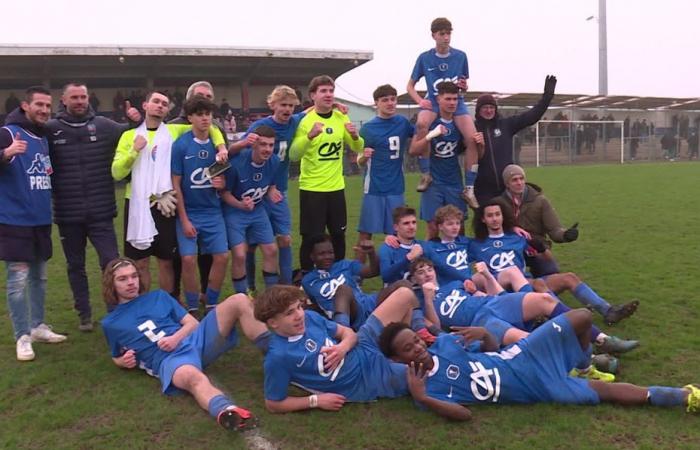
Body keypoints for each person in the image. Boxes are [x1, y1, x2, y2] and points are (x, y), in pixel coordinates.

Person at [379, 310, 700, 420]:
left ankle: (583, 364)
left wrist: (485, 335)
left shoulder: (448, 343)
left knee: (583, 318)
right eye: (409, 349)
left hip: (523, 354)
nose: (418, 349)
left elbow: (489, 349)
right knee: (608, 393)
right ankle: (686, 397)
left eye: (417, 341)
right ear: (397, 358)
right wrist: (422, 398)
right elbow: (465, 415)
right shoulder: (425, 389)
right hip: (536, 387)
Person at [100, 257, 270, 431]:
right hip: (170, 360)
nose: (131, 282)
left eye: (134, 276)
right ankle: (228, 412)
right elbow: (116, 357)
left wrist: (176, 338)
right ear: (111, 284)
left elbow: (192, 323)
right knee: (193, 378)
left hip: (194, 340)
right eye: (123, 279)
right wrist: (124, 361)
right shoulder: (111, 323)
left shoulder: (159, 296)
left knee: (239, 300)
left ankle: (277, 353)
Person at [112, 91, 227, 297]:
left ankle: (168, 303)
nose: (160, 106)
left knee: (166, 261)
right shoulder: (129, 136)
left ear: (168, 110)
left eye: (164, 104)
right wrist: (134, 151)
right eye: (156, 101)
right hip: (137, 203)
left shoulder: (174, 131)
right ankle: (144, 304)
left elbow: (212, 128)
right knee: (141, 262)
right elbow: (117, 172)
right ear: (146, 105)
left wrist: (220, 146)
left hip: (165, 203)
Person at [46, 82, 140, 331]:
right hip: (68, 214)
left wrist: (134, 120)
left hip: (101, 213)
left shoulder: (104, 126)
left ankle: (115, 312)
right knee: (75, 266)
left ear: (89, 99)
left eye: (83, 97)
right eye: (74, 97)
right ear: (63, 100)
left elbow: (132, 134)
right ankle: (84, 315)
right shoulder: (51, 129)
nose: (79, 101)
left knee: (111, 264)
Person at [253, 283, 420, 413]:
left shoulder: (310, 318)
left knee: (404, 294)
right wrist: (315, 401)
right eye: (289, 313)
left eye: (298, 307)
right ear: (273, 322)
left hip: (362, 344)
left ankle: (397, 354)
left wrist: (342, 348)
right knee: (428, 372)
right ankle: (399, 362)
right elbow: (274, 404)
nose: (299, 315)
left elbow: (348, 333)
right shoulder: (278, 357)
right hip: (366, 379)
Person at [471, 199, 639, 325]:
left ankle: (608, 311)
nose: (494, 219)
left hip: (527, 281)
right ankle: (568, 319)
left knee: (569, 278)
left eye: (497, 214)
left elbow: (548, 262)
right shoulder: (474, 244)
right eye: (490, 215)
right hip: (502, 291)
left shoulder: (518, 237)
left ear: (503, 216)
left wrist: (543, 250)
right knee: (538, 284)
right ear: (483, 219)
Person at [0, 86, 67, 361]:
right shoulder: (8, 133)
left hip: (40, 221)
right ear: (26, 105)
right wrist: (5, 154)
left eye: (47, 106)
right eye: (39, 104)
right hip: (14, 223)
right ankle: (22, 336)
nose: (43, 110)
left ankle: (38, 326)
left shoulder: (42, 138)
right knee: (18, 282)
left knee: (40, 277)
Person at [231, 85, 305, 288]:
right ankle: (251, 288)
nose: (287, 109)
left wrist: (335, 105)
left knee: (285, 239)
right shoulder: (259, 127)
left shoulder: (295, 122)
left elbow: (311, 111)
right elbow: (240, 152)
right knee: (251, 245)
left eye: (291, 105)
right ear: (272, 105)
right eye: (283, 104)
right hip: (256, 192)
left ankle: (286, 286)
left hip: (277, 191)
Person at [290, 75, 364, 273]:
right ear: (313, 95)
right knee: (311, 237)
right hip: (312, 188)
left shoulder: (341, 117)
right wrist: (309, 137)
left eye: (331, 91)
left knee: (339, 236)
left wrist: (356, 136)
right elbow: (294, 154)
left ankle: (338, 275)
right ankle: (307, 278)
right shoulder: (306, 121)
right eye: (323, 91)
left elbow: (358, 146)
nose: (328, 95)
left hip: (336, 188)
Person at [407, 17, 480, 209]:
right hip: (432, 101)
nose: (446, 37)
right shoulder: (425, 57)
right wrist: (420, 101)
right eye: (442, 34)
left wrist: (463, 86)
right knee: (422, 125)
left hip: (456, 101)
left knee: (472, 138)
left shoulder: (461, 56)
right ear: (433, 35)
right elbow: (410, 86)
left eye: (449, 33)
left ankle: (469, 188)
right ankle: (426, 174)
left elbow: (463, 85)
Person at [168, 81, 227, 306]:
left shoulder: (217, 145)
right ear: (190, 117)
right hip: (189, 213)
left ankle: (211, 301)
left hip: (213, 211)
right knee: (188, 259)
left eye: (208, 114)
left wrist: (220, 184)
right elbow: (176, 184)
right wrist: (183, 219)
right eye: (199, 114)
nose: (205, 118)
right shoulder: (180, 146)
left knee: (222, 257)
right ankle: (192, 306)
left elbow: (222, 182)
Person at [214, 125, 280, 295]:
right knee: (240, 254)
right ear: (254, 145)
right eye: (263, 144)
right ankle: (242, 297)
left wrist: (272, 191)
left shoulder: (274, 161)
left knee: (271, 250)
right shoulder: (237, 163)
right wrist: (240, 205)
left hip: (257, 209)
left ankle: (271, 296)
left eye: (271, 145)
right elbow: (224, 193)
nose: (267, 149)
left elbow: (271, 183)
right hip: (234, 210)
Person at [473, 75, 557, 205]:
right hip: (483, 189)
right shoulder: (472, 129)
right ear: (478, 110)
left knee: (510, 223)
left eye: (491, 107)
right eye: (485, 107)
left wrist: (547, 97)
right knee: (486, 223)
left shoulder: (505, 125)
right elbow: (459, 148)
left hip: (506, 188)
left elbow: (531, 116)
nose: (489, 110)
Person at [356, 84, 414, 255]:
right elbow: (359, 160)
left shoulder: (403, 122)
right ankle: (357, 276)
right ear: (376, 103)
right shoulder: (368, 128)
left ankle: (395, 274)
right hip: (374, 186)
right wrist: (364, 156)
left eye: (393, 99)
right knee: (366, 234)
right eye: (385, 100)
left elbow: (419, 136)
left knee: (398, 232)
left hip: (396, 187)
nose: (390, 103)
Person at [409, 82, 468, 239]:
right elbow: (413, 150)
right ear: (438, 99)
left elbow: (470, 149)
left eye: (455, 99)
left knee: (458, 227)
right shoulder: (428, 123)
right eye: (448, 99)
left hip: (454, 181)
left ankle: (459, 261)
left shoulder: (461, 123)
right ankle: (430, 263)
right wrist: (431, 135)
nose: (452, 103)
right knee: (433, 227)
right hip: (433, 183)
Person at [497, 164, 578, 277]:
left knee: (552, 277)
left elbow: (554, 229)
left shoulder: (540, 201)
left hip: (537, 247)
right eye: (514, 180)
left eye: (521, 178)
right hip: (511, 249)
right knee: (511, 285)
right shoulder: (498, 203)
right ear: (507, 184)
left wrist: (565, 235)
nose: (519, 183)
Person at [302, 234, 379, 330]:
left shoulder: (346, 265)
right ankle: (344, 334)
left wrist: (371, 253)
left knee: (400, 286)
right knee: (343, 290)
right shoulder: (308, 281)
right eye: (322, 254)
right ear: (312, 256)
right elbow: (317, 305)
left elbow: (373, 271)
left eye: (330, 253)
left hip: (366, 303)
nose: (327, 257)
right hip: (350, 315)